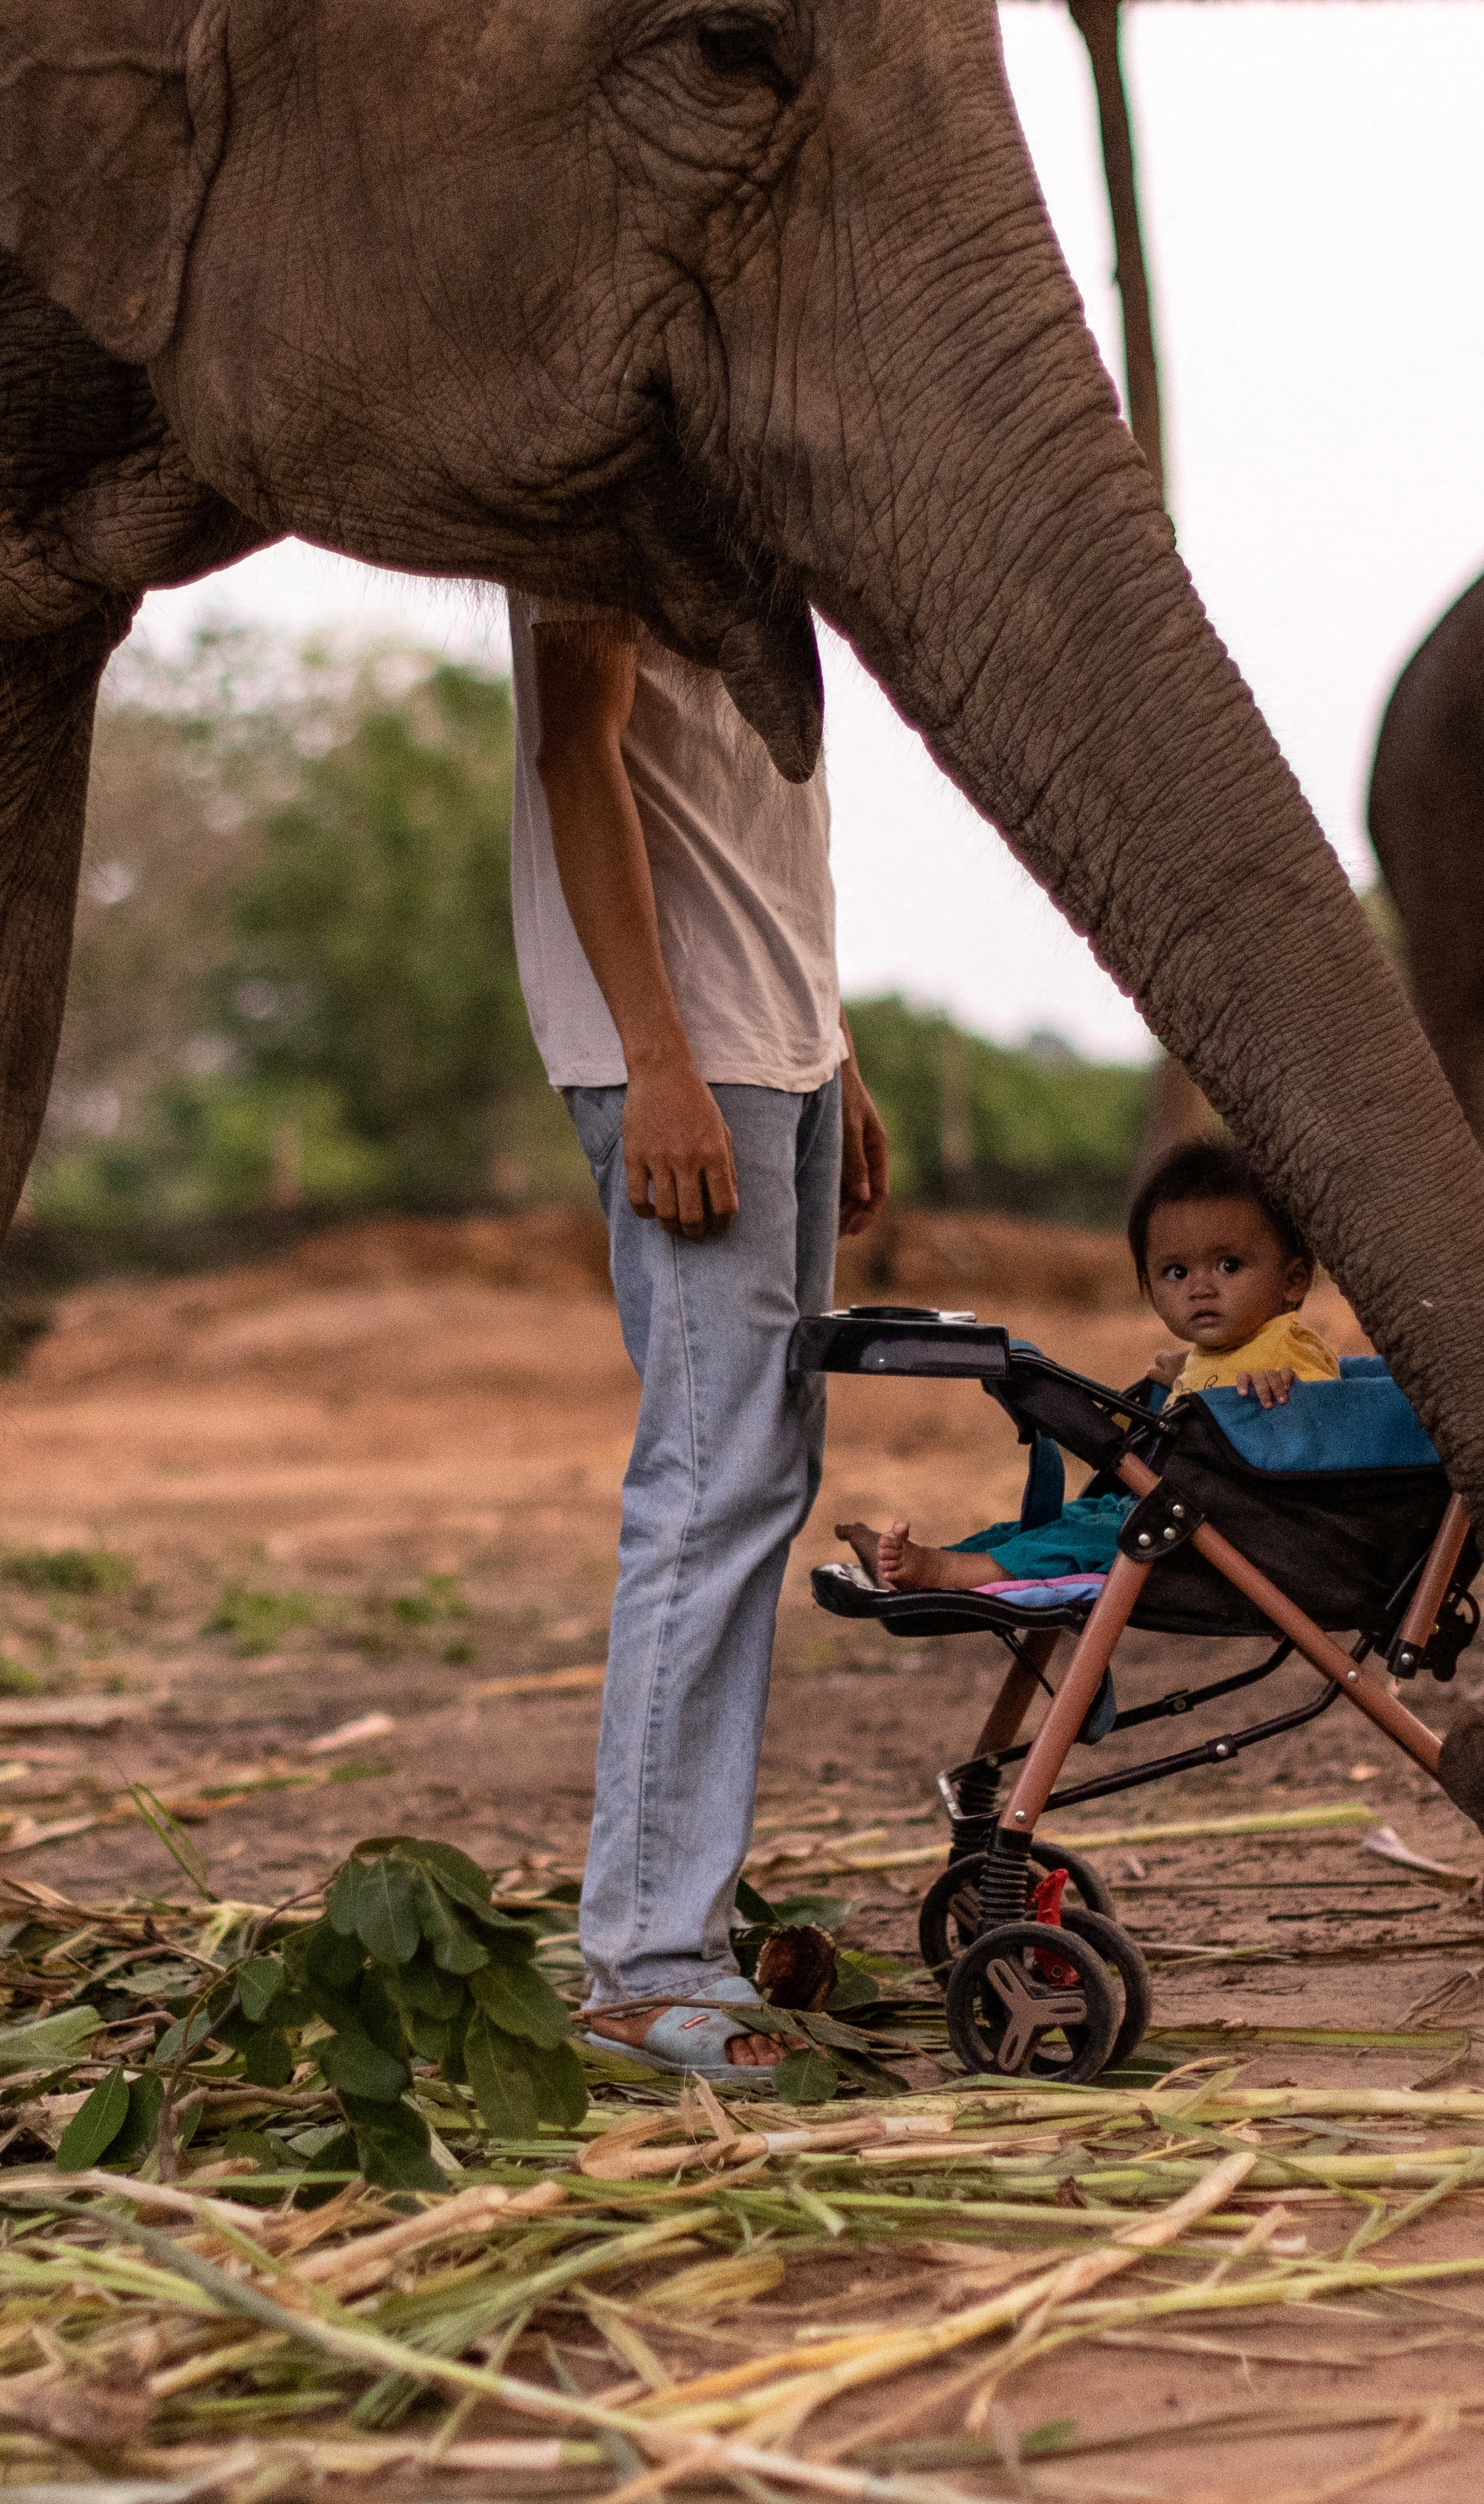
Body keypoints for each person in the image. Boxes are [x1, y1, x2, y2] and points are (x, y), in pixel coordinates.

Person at [513, 595, 886, 2077]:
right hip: (680, 1059)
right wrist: (659, 1062)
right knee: (708, 1485)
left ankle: (677, 1932)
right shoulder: (600, 488)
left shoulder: (757, 520)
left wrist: (831, 1048)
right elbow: (571, 758)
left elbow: (765, 815)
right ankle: (646, 1968)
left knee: (758, 1481)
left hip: (773, 1047)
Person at [836, 1138, 1336, 1594]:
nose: (1200, 1287)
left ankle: (945, 1575)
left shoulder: (1285, 1346)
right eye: (1176, 1272)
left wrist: (1289, 1389)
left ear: (1292, 1282)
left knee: (1083, 1538)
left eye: (1228, 1265)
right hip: (1176, 1517)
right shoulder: (1217, 1353)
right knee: (1056, 1524)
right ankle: (935, 1559)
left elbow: (1333, 1419)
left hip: (1224, 1539)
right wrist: (1174, 1379)